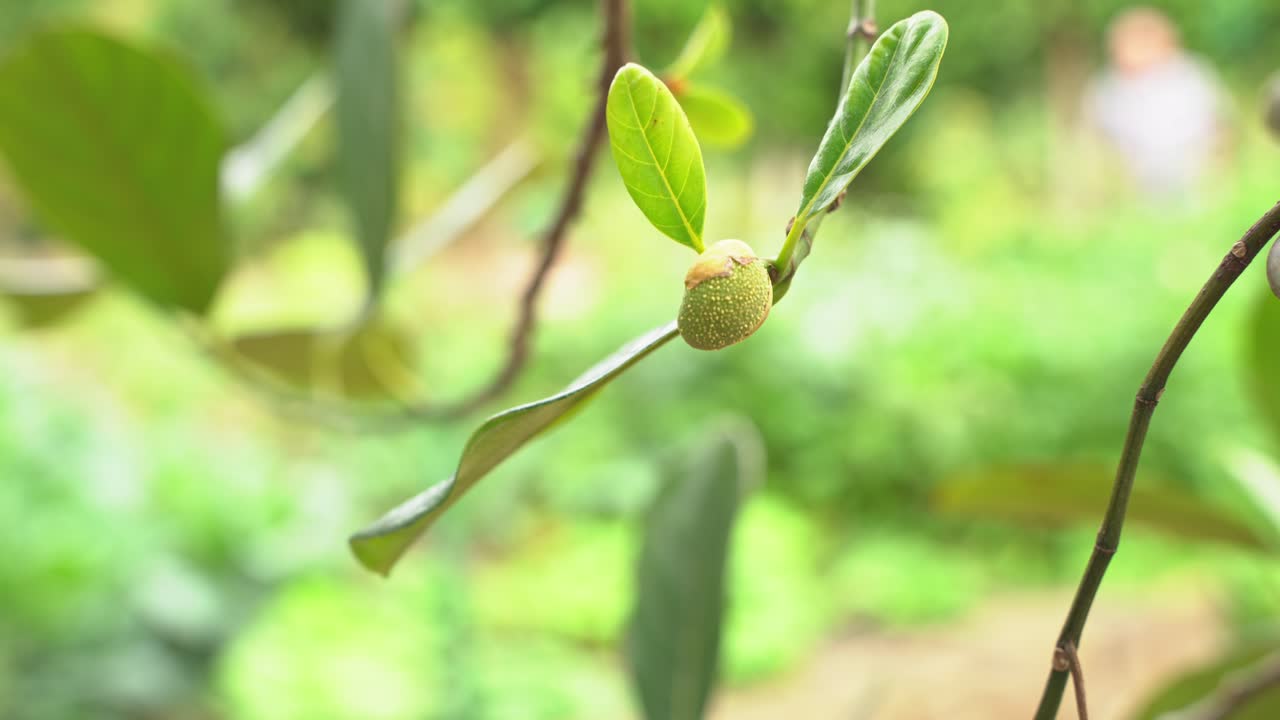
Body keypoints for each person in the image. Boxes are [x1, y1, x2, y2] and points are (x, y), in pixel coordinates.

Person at [1084, 7, 1227, 199]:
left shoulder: (1191, 75)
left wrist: (1214, 178)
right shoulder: (1106, 89)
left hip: (1196, 182)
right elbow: (1098, 144)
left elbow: (1221, 128)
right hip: (1135, 190)